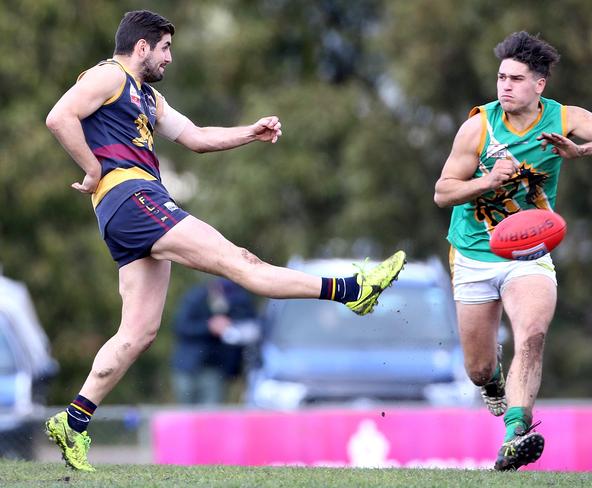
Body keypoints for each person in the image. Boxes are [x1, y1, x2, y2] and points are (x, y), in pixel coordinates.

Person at [44, 10, 406, 472]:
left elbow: (195, 137)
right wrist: (93, 169)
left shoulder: (148, 98)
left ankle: (73, 422)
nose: (169, 57)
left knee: (138, 333)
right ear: (141, 47)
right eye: (165, 48)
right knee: (240, 263)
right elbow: (59, 117)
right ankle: (351, 291)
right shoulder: (108, 76)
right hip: (133, 196)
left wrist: (249, 133)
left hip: (125, 211)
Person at [434, 31, 592, 471]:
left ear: (540, 85)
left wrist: (583, 150)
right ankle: (492, 381)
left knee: (531, 334)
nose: (504, 86)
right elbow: (442, 192)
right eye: (500, 77)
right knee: (476, 369)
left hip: (528, 254)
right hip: (473, 254)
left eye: (515, 78)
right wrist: (487, 181)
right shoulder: (478, 126)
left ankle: (516, 434)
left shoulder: (563, 118)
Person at [171, 278, 260, 405]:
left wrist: (230, 327)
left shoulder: (239, 299)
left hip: (214, 369)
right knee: (187, 415)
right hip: (188, 367)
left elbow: (249, 328)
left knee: (210, 414)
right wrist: (209, 327)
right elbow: (181, 327)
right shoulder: (196, 298)